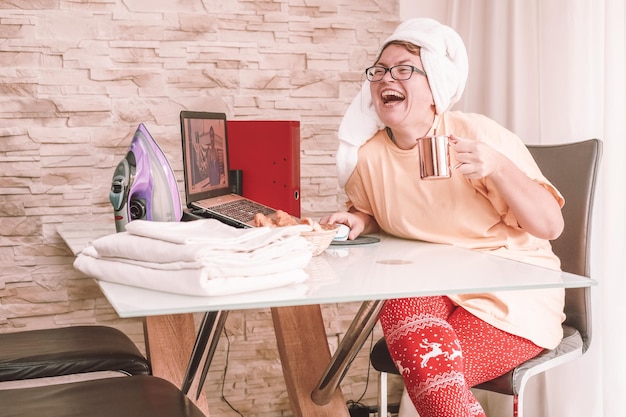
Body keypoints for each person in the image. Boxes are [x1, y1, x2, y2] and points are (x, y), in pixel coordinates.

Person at [322, 18, 565, 417]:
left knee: (434, 376)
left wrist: (498, 168)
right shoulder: (368, 158)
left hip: (510, 295)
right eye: (380, 70)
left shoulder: (476, 136)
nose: (387, 78)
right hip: (432, 285)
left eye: (404, 69)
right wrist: (359, 221)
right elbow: (372, 209)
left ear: (434, 86)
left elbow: (550, 226)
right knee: (397, 302)